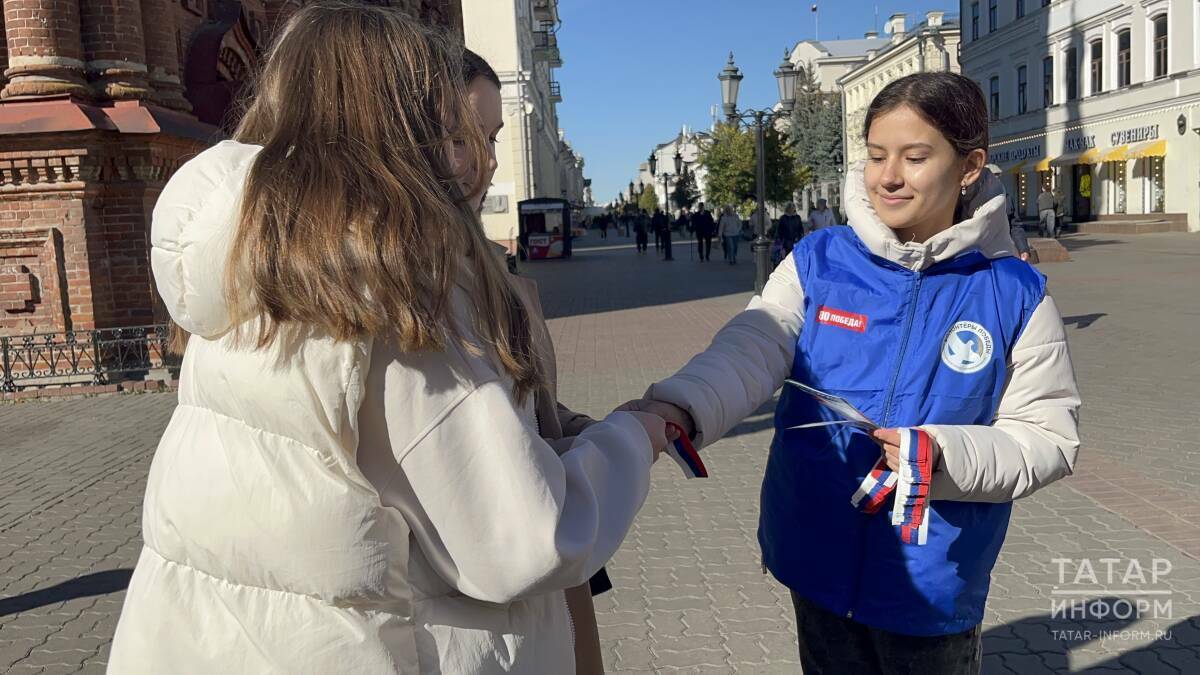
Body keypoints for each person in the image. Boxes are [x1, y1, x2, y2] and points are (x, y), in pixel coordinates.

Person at [107, 5, 667, 673]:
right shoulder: (390, 287)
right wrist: (636, 437)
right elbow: (523, 538)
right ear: (398, 120)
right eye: (445, 121)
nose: (468, 153)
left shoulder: (244, 259)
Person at [621, 72, 1080, 674]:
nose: (889, 176)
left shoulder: (1014, 294)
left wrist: (944, 455)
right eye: (876, 156)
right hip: (815, 557)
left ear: (969, 165)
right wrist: (680, 405)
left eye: (916, 157)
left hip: (932, 580)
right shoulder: (819, 261)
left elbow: (1048, 438)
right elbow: (752, 346)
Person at [461, 47, 614, 674]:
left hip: (551, 569)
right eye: (468, 136)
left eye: (494, 137)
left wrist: (580, 428)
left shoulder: (495, 272)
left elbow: (528, 410)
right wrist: (624, 447)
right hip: (498, 593)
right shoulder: (424, 294)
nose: (491, 159)